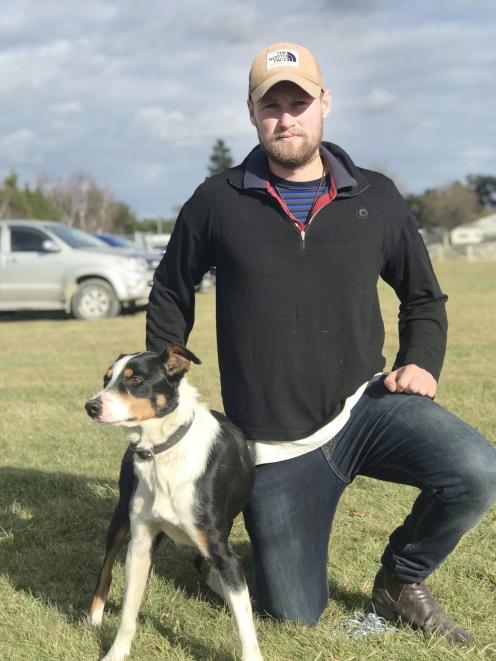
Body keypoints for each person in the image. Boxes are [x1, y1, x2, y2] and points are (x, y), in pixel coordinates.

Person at [146, 42, 496, 643]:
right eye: (272, 105)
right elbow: (170, 291)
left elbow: (423, 299)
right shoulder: (217, 201)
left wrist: (421, 362)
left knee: (477, 470)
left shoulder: (377, 197)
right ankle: (218, 547)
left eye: (299, 102)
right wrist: (163, 383)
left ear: (324, 104)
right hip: (277, 446)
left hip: (369, 407)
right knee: (294, 615)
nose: (287, 117)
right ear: (252, 114)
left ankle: (400, 580)